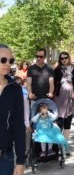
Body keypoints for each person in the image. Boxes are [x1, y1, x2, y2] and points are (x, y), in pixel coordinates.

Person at [0, 44, 25, 175]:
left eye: (11, 61)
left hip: (5, 158)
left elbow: (19, 127)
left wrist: (21, 161)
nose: (7, 64)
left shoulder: (15, 89)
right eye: (3, 60)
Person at [53, 52, 74, 155]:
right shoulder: (56, 70)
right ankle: (58, 145)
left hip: (70, 98)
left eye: (66, 58)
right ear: (59, 60)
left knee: (68, 121)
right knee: (59, 121)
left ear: (69, 58)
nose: (64, 60)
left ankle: (65, 145)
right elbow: (53, 83)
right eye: (62, 58)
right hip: (59, 98)